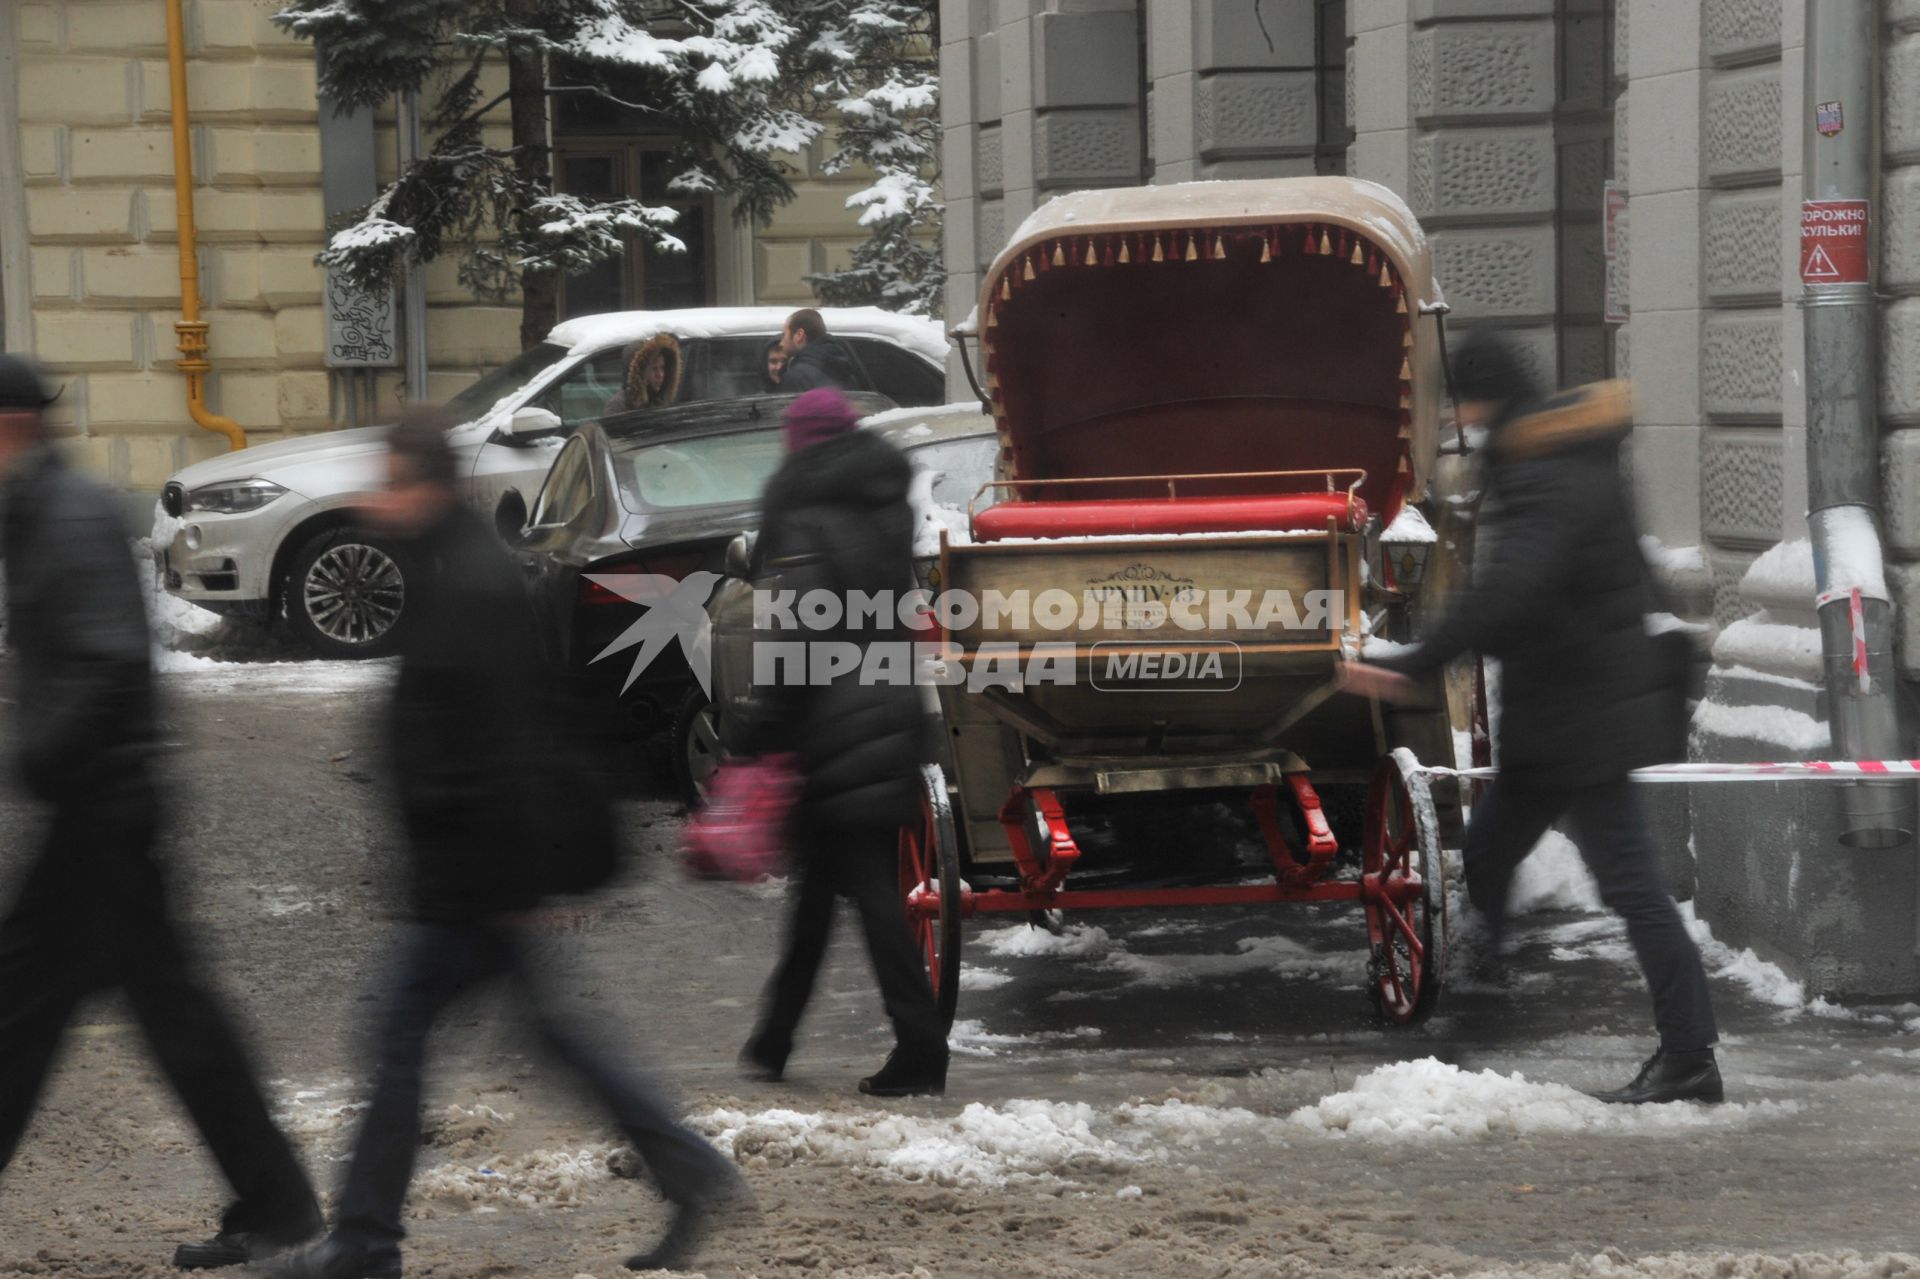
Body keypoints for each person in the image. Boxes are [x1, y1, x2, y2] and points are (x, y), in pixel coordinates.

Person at [272, 413, 741, 1279]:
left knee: (401, 1038)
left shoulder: (472, 586)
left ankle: (363, 1244)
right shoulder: (453, 569)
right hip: (474, 869)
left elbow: (508, 740)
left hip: (474, 875)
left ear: (424, 487)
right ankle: (690, 1170)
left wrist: (511, 877)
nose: (374, 499)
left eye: (388, 481)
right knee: (554, 1038)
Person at [1338, 329, 1721, 1107]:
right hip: (1564, 712)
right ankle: (1484, 1006)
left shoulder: (1548, 469)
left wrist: (1410, 659)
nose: (1461, 418)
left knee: (1633, 887)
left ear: (1487, 399)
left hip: (1580, 717)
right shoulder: (1564, 454)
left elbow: (1514, 587)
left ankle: (1689, 1054)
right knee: (1489, 849)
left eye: (1463, 400)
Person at [0, 354, 324, 1269]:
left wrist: (37, 753)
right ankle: (280, 1204)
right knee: (160, 1020)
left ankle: (285, 1206)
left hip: (98, 813)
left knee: (27, 1014)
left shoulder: (62, 514)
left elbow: (104, 663)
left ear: (10, 424)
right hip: (103, 810)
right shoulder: (38, 505)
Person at [727, 388, 949, 1097]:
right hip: (886, 705)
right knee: (820, 890)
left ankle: (920, 1045)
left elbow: (799, 635)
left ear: (801, 444)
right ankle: (773, 1039)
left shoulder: (804, 513)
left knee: (869, 895)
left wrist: (759, 728)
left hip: (832, 720)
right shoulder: (885, 504)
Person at [776, 309, 857, 394]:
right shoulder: (842, 366)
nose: (781, 343)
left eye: (784, 335)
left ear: (799, 335)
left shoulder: (797, 376)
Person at [602, 333, 682, 416]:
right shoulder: (618, 406)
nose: (660, 375)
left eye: (662, 368)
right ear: (640, 373)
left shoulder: (661, 402)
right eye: (654, 369)